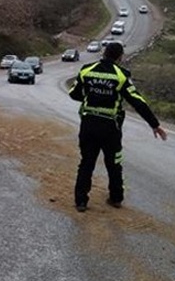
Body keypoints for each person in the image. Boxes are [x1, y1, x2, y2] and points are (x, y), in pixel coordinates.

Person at [68, 42, 167, 213]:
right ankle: (116, 198)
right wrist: (154, 124)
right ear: (120, 57)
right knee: (114, 163)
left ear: (104, 53)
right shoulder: (121, 75)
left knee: (86, 163)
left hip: (88, 124)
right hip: (110, 127)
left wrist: (91, 96)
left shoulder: (86, 70)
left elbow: (74, 93)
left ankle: (81, 201)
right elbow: (137, 101)